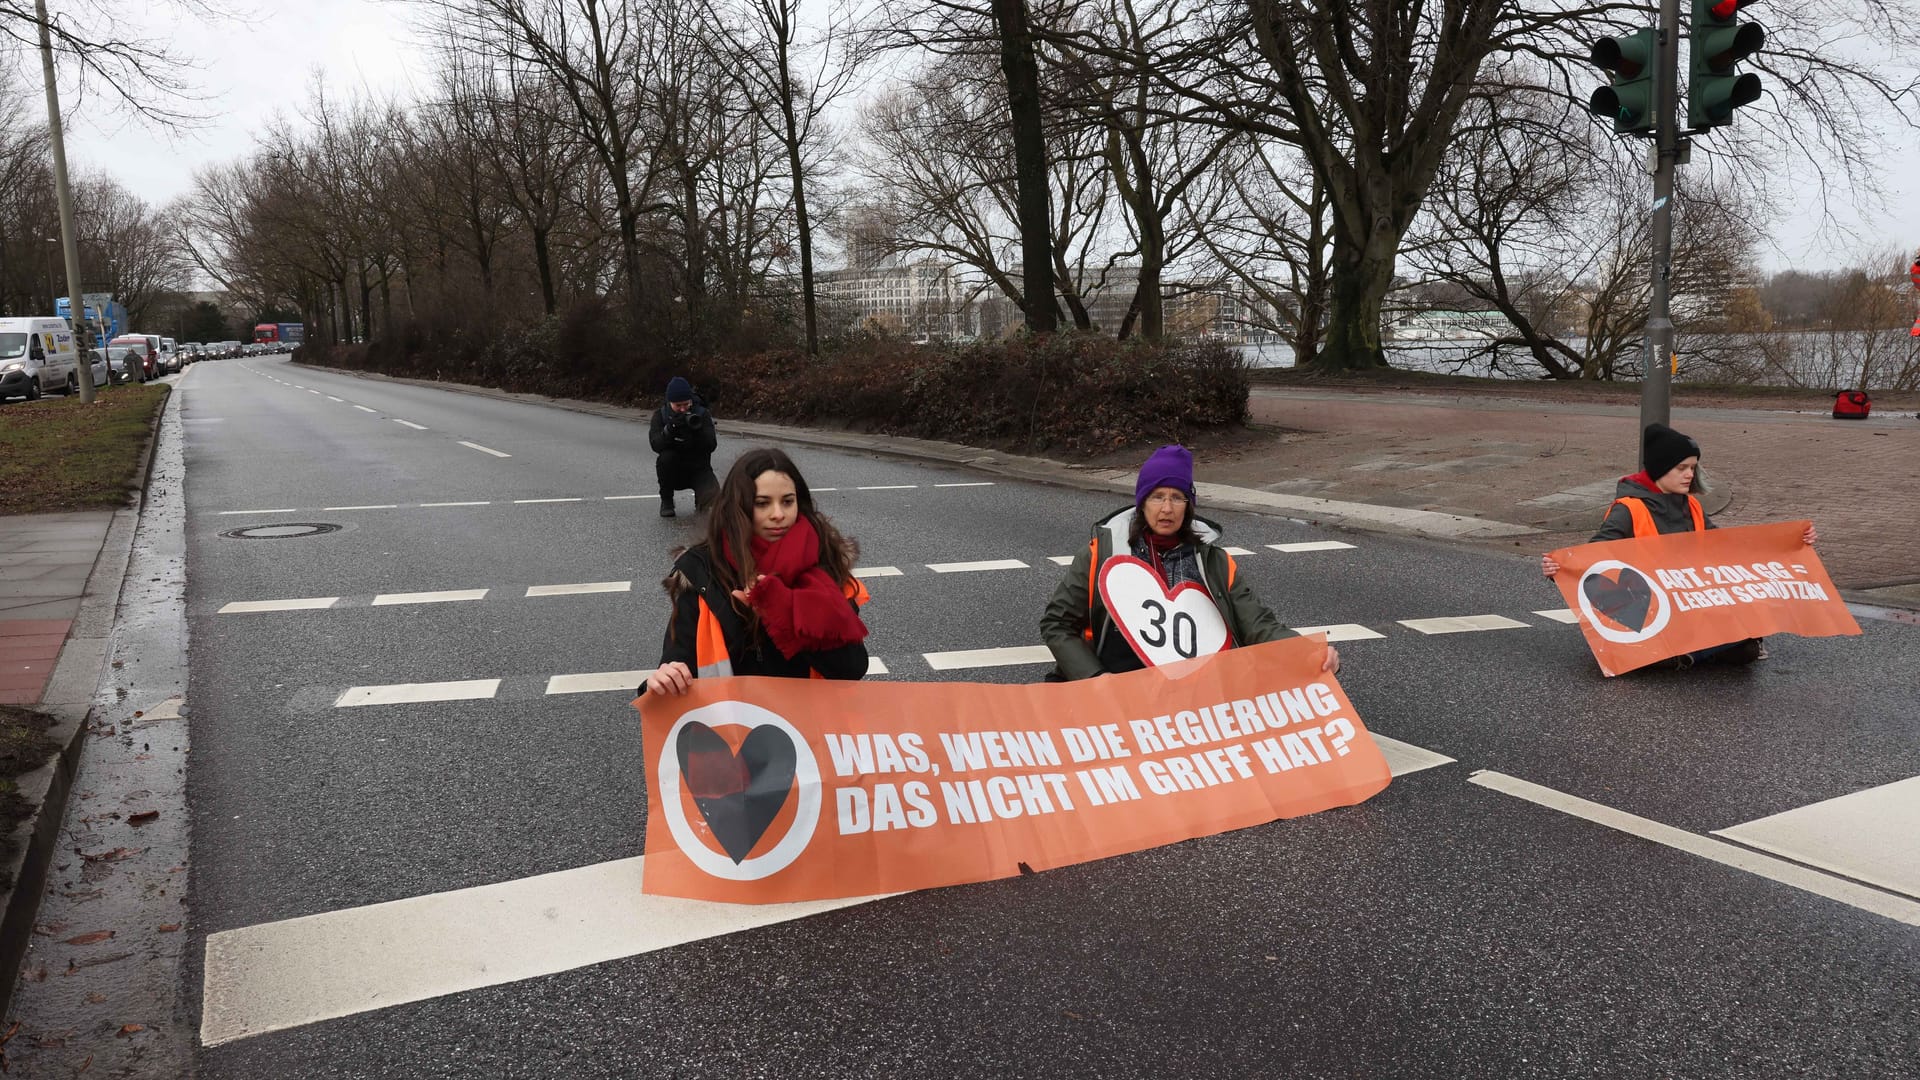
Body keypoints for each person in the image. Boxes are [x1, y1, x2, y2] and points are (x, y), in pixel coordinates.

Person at [1041, 444, 1339, 680]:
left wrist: (1307, 650)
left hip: (1193, 697)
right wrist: (1094, 677)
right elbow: (1057, 623)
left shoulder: (1215, 562)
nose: (1166, 508)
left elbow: (1259, 625)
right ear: (1142, 503)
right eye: (1157, 497)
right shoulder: (1100, 556)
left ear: (1189, 505)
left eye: (1177, 497)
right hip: (1116, 689)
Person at [1540, 422, 1818, 668]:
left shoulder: (1693, 506)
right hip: (1651, 607)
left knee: (1746, 648)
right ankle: (1679, 652)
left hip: (1686, 605)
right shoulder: (1629, 509)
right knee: (1740, 646)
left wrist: (1791, 543)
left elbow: (1727, 550)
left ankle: (1679, 654)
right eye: (1682, 468)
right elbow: (1594, 557)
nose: (1689, 475)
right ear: (1661, 469)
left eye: (1693, 468)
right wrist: (1559, 569)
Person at [645, 447, 870, 695]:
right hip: (731, 730)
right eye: (762, 503)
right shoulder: (702, 570)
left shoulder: (825, 561)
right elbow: (679, 661)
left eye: (787, 501)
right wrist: (664, 679)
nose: (778, 515)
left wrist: (784, 613)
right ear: (738, 507)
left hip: (807, 729)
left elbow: (851, 668)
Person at [649, 376, 719, 518]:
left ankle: (701, 501)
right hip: (673, 470)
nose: (682, 409)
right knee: (665, 458)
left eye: (686, 405)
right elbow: (656, 444)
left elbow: (712, 444)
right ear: (670, 403)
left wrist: (696, 431)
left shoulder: (701, 414)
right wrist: (670, 429)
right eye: (678, 406)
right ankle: (667, 500)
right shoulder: (660, 416)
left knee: (712, 504)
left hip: (699, 468)